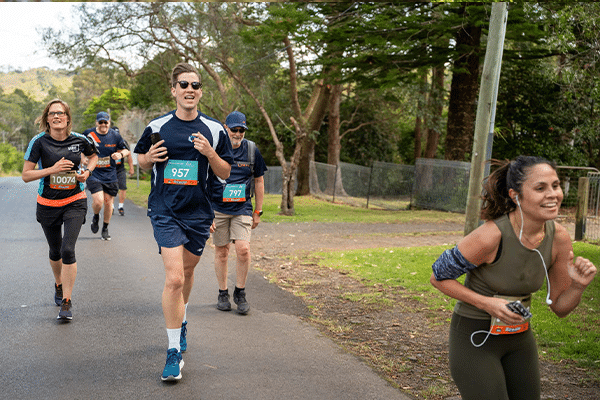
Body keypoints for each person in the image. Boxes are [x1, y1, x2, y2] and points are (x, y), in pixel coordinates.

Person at [429, 156, 597, 400]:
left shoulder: (558, 237)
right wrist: (487, 303)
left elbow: (560, 307)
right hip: (475, 338)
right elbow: (438, 277)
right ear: (515, 195)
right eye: (540, 188)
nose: (553, 194)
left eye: (555, 185)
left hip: (519, 339)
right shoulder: (490, 236)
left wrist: (579, 286)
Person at [134, 62, 234, 382]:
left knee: (188, 273)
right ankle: (173, 351)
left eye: (195, 84)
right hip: (165, 210)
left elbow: (226, 172)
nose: (190, 89)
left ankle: (182, 317)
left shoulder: (215, 130)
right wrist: (149, 159)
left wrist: (209, 153)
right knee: (174, 278)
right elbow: (140, 159)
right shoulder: (157, 127)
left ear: (200, 91)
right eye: (184, 84)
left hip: (198, 214)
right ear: (173, 90)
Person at [22, 99, 98, 321]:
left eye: (61, 113)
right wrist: (52, 169)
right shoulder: (39, 142)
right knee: (55, 251)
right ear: (47, 118)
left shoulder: (80, 140)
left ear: (67, 118)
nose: (57, 117)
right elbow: (26, 175)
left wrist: (88, 173)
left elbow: (93, 157)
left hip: (74, 200)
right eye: (52, 113)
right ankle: (58, 283)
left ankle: (66, 301)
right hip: (48, 203)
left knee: (67, 249)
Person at [209, 111, 267, 315]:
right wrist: (207, 212)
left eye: (241, 130)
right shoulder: (214, 149)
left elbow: (259, 181)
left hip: (242, 208)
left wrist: (258, 210)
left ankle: (240, 292)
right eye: (234, 129)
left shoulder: (251, 150)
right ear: (226, 128)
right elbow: (203, 181)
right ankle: (222, 292)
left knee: (243, 250)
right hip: (218, 208)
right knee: (222, 251)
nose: (238, 133)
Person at [83, 112, 130, 240]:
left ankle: (105, 228)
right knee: (98, 201)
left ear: (109, 122)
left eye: (106, 122)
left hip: (110, 174)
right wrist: (82, 158)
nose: (103, 124)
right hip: (94, 172)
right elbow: (79, 147)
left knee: (109, 203)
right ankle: (96, 216)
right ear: (96, 122)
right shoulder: (88, 134)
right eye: (101, 122)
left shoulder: (115, 135)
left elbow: (126, 150)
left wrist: (120, 155)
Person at [112, 126, 135, 216]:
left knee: (123, 187)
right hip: (111, 169)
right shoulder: (106, 142)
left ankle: (120, 206)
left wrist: (131, 168)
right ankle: (112, 206)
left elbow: (129, 155)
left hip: (120, 169)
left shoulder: (123, 142)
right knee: (112, 188)